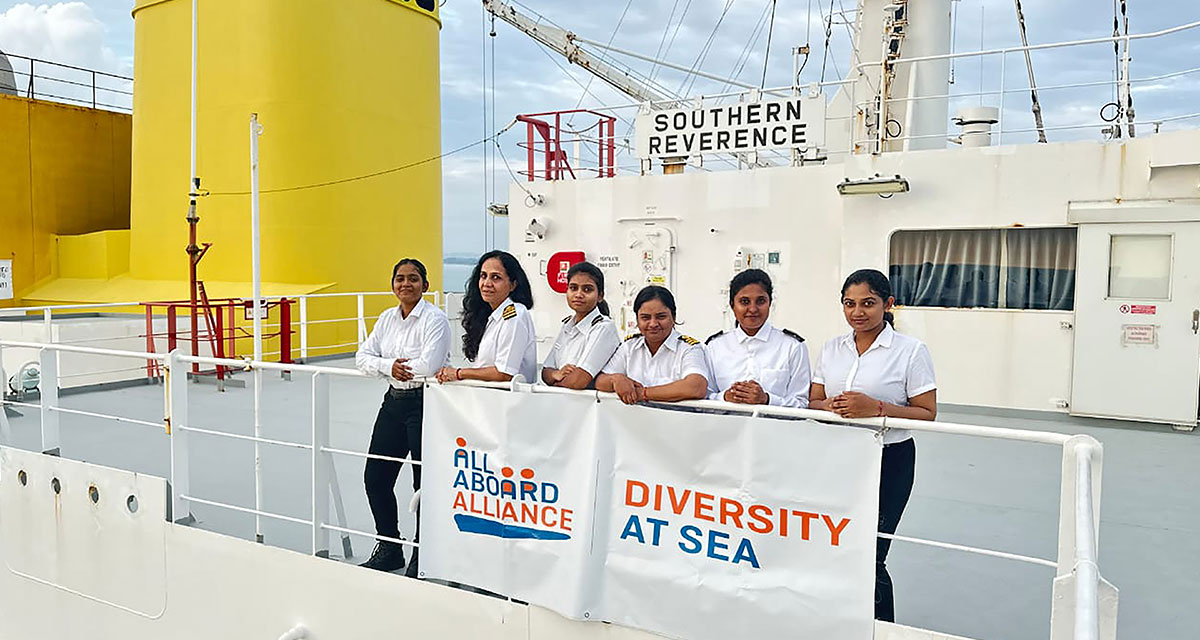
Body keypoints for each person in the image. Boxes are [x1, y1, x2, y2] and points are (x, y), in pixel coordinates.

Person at [809, 268, 937, 623]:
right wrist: (831, 406)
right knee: (836, 547)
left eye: (868, 303)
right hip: (839, 458)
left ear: (888, 304)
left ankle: (879, 628)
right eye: (849, 304)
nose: (857, 312)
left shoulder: (910, 351)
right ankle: (838, 621)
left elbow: (926, 412)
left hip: (889, 460)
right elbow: (813, 401)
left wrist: (876, 409)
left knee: (872, 554)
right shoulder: (833, 348)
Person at [354, 258, 450, 576]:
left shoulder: (435, 320)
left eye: (413, 278)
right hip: (393, 402)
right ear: (392, 284)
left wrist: (386, 362)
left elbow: (427, 366)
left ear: (426, 284)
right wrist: (388, 365)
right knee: (376, 478)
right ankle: (390, 547)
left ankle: (423, 555)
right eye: (399, 278)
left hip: (425, 405)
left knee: (423, 485)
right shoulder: (386, 319)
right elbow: (362, 357)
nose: (405, 284)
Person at [706, 269, 811, 407]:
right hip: (726, 426)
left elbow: (802, 403)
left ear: (770, 303)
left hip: (776, 427)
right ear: (732, 305)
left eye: (760, 301)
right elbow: (704, 397)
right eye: (744, 302)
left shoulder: (792, 347)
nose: (753, 309)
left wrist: (767, 399)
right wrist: (724, 397)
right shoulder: (715, 347)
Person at [595, 285, 709, 404]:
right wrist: (615, 379)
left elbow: (696, 387)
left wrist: (643, 393)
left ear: (673, 317)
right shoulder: (629, 347)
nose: (653, 324)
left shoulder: (689, 348)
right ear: (637, 320)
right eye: (645, 318)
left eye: (661, 317)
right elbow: (599, 381)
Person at [436, 250, 537, 384]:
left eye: (496, 277)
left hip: (507, 401)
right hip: (488, 399)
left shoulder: (515, 315)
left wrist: (458, 373)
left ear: (513, 285)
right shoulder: (492, 317)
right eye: (483, 276)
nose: (487, 283)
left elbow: (505, 373)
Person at [541, 262, 621, 390]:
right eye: (573, 288)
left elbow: (578, 381)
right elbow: (545, 372)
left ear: (600, 296)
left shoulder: (603, 327)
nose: (579, 294)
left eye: (587, 289)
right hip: (563, 403)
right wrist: (557, 374)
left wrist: (556, 383)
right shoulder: (567, 325)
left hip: (591, 407)